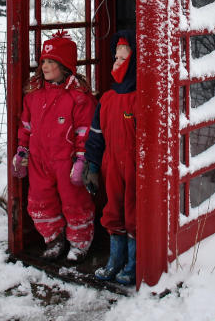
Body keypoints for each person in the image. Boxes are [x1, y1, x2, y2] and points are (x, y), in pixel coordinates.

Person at [11, 31, 96, 262]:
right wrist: (22, 150)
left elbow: (85, 132)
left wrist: (81, 159)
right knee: (39, 201)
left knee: (74, 201)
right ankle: (53, 238)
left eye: (51, 61)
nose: (45, 66)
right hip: (40, 160)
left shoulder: (78, 97)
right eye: (43, 62)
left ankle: (79, 243)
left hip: (66, 162)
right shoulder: (33, 96)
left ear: (65, 65)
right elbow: (26, 126)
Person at [82, 30, 137, 284]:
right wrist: (92, 165)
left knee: (134, 214)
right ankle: (115, 261)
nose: (116, 63)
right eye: (115, 57)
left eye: (123, 59)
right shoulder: (107, 99)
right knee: (113, 211)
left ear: (135, 62)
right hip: (111, 165)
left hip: (137, 167)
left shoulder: (140, 99)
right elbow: (95, 136)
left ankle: (133, 264)